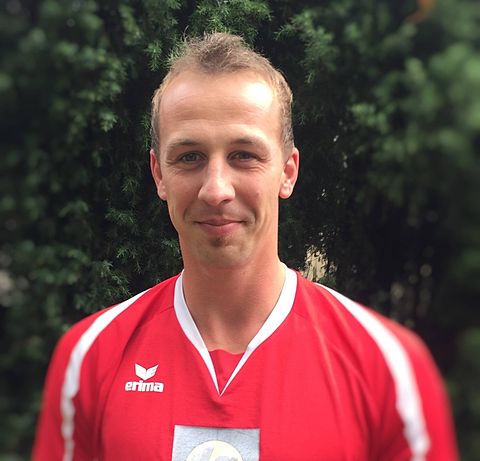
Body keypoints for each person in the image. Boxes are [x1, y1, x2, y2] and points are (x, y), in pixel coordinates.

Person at [33, 32, 458, 461]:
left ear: (287, 172)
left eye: (244, 155)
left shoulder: (389, 368)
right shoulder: (89, 359)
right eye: (190, 157)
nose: (216, 190)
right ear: (159, 174)